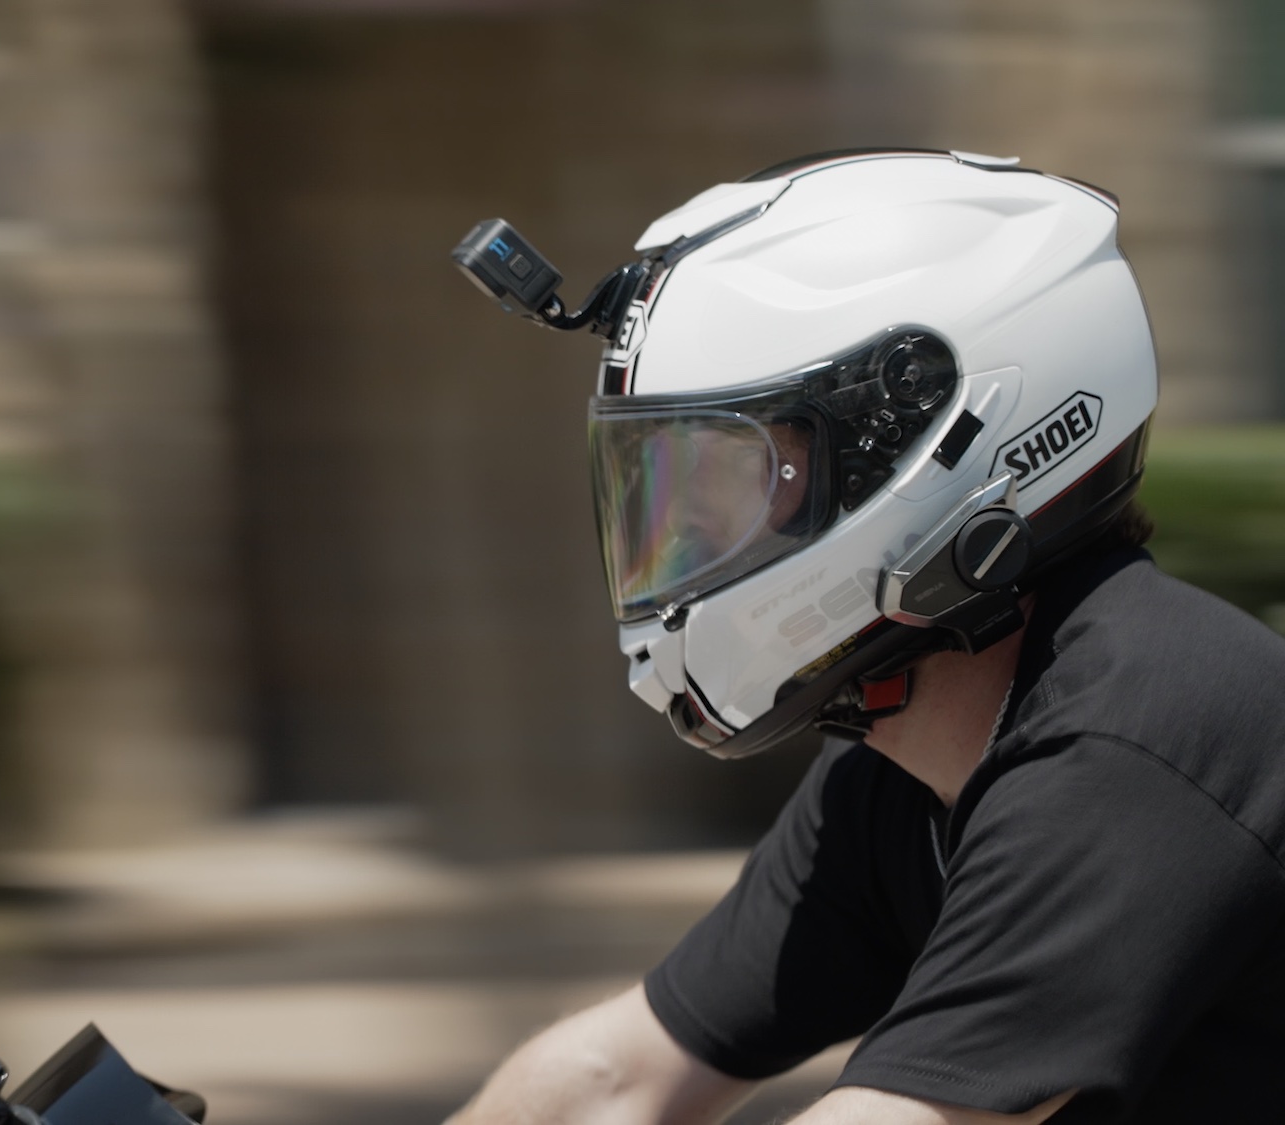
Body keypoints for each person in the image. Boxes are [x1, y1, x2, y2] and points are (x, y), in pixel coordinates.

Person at [451, 151, 1285, 1124]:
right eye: (667, 493)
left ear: (931, 439)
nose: (681, 542)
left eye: (733, 483)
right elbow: (615, 1078)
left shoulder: (1133, 744)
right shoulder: (897, 769)